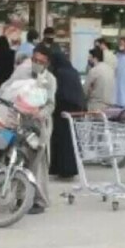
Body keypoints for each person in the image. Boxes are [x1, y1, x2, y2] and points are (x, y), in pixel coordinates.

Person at [0, 45, 57, 215]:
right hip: (17, 121)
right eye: (34, 60)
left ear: (47, 63)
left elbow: (50, 104)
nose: (36, 64)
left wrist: (40, 114)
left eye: (41, 62)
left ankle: (39, 201)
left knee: (37, 164)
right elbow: (4, 90)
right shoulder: (21, 73)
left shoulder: (50, 80)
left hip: (38, 125)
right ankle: (19, 196)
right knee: (17, 158)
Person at [48, 52, 86, 180]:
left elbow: (57, 93)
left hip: (62, 110)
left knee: (61, 140)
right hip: (75, 110)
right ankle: (70, 169)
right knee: (71, 140)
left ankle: (62, 169)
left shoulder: (58, 73)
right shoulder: (73, 71)